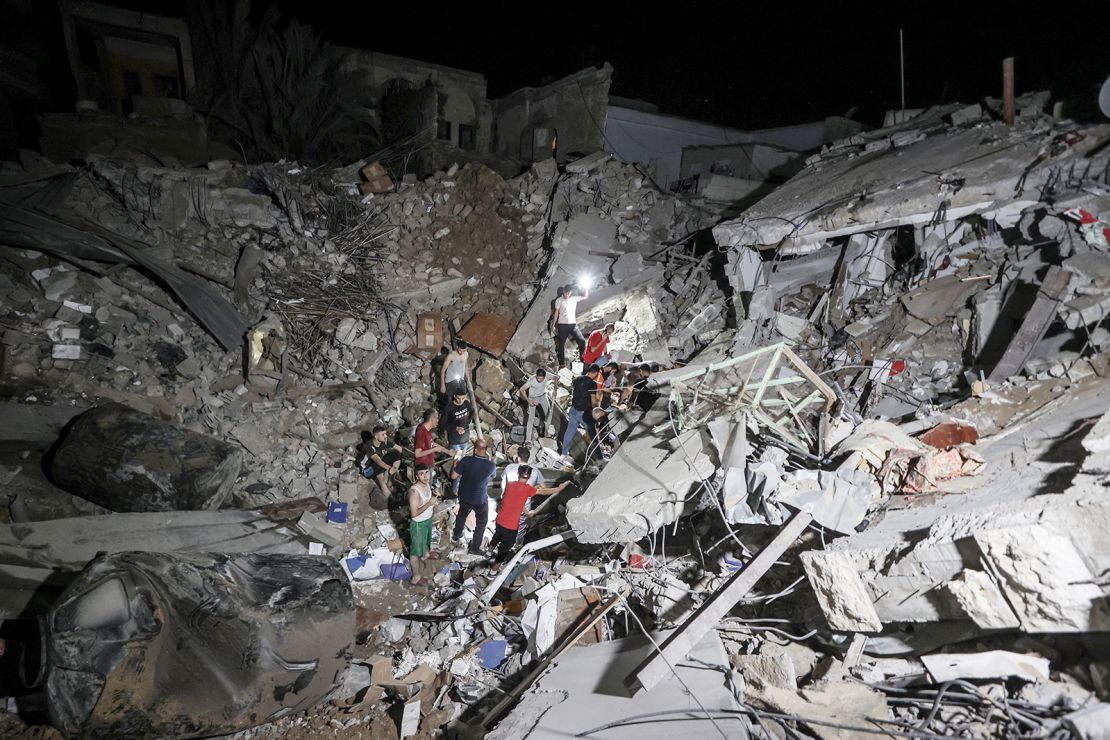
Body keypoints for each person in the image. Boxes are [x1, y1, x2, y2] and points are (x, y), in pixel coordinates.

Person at [490, 466, 569, 562]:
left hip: (499, 521)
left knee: (497, 535)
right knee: (504, 549)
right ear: (529, 477)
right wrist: (559, 489)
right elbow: (544, 492)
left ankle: (489, 552)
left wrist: (527, 513)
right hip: (510, 527)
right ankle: (493, 570)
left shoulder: (510, 485)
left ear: (518, 474)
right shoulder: (527, 489)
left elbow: (517, 502)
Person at [450, 438, 496, 555]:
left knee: (462, 515)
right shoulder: (491, 465)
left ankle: (456, 535)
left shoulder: (465, 461)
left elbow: (454, 476)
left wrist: (455, 465)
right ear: (485, 450)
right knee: (481, 523)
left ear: (475, 450)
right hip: (479, 499)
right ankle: (474, 548)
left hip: (464, 496)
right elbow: (491, 477)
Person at [562, 364, 601, 459]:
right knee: (592, 434)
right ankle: (598, 458)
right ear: (595, 373)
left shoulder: (577, 379)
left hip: (573, 409)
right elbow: (593, 400)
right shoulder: (592, 384)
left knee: (569, 432)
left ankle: (563, 454)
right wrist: (595, 411)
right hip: (583, 413)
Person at [407, 465, 438, 585]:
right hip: (418, 524)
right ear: (416, 476)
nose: (425, 476)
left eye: (427, 472)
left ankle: (425, 555)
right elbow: (414, 514)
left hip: (427, 520)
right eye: (421, 474)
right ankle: (416, 577)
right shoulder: (414, 492)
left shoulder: (427, 484)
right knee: (415, 552)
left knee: (425, 542)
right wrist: (429, 503)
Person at [358, 425, 404, 497]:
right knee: (378, 465)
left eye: (385, 434)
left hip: (377, 463)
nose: (385, 436)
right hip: (367, 470)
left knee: (396, 454)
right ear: (376, 436)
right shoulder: (368, 446)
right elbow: (377, 460)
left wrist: (414, 455)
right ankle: (388, 494)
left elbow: (400, 449)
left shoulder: (385, 440)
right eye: (383, 434)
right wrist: (389, 468)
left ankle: (390, 479)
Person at [550, 285, 588, 368]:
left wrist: (585, 287)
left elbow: (585, 296)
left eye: (568, 293)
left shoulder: (574, 298)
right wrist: (553, 325)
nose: (567, 295)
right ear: (563, 292)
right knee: (561, 345)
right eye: (565, 293)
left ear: (571, 292)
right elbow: (556, 313)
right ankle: (562, 364)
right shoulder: (559, 300)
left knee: (582, 341)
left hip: (573, 325)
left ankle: (582, 359)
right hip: (562, 325)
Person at [442, 389, 473, 491]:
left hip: (464, 440)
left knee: (461, 463)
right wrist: (455, 428)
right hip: (455, 442)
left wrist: (466, 424)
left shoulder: (466, 404)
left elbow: (472, 412)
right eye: (459, 398)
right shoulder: (449, 408)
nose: (461, 401)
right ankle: (453, 488)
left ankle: (458, 485)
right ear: (455, 396)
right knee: (457, 464)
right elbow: (443, 424)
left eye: (463, 398)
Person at [414, 408, 448, 491]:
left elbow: (431, 443)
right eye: (437, 418)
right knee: (424, 489)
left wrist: (447, 451)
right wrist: (434, 449)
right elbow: (417, 454)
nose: (438, 420)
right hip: (423, 467)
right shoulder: (422, 431)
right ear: (432, 418)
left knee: (428, 487)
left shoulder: (427, 429)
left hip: (428, 464)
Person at [518, 367, 554, 442]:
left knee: (549, 413)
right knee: (531, 419)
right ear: (536, 376)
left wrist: (555, 390)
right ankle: (528, 440)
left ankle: (546, 433)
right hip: (533, 398)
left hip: (543, 396)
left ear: (544, 377)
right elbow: (521, 389)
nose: (539, 380)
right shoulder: (532, 380)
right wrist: (528, 401)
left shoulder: (547, 375)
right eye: (538, 378)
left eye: (541, 378)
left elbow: (556, 378)